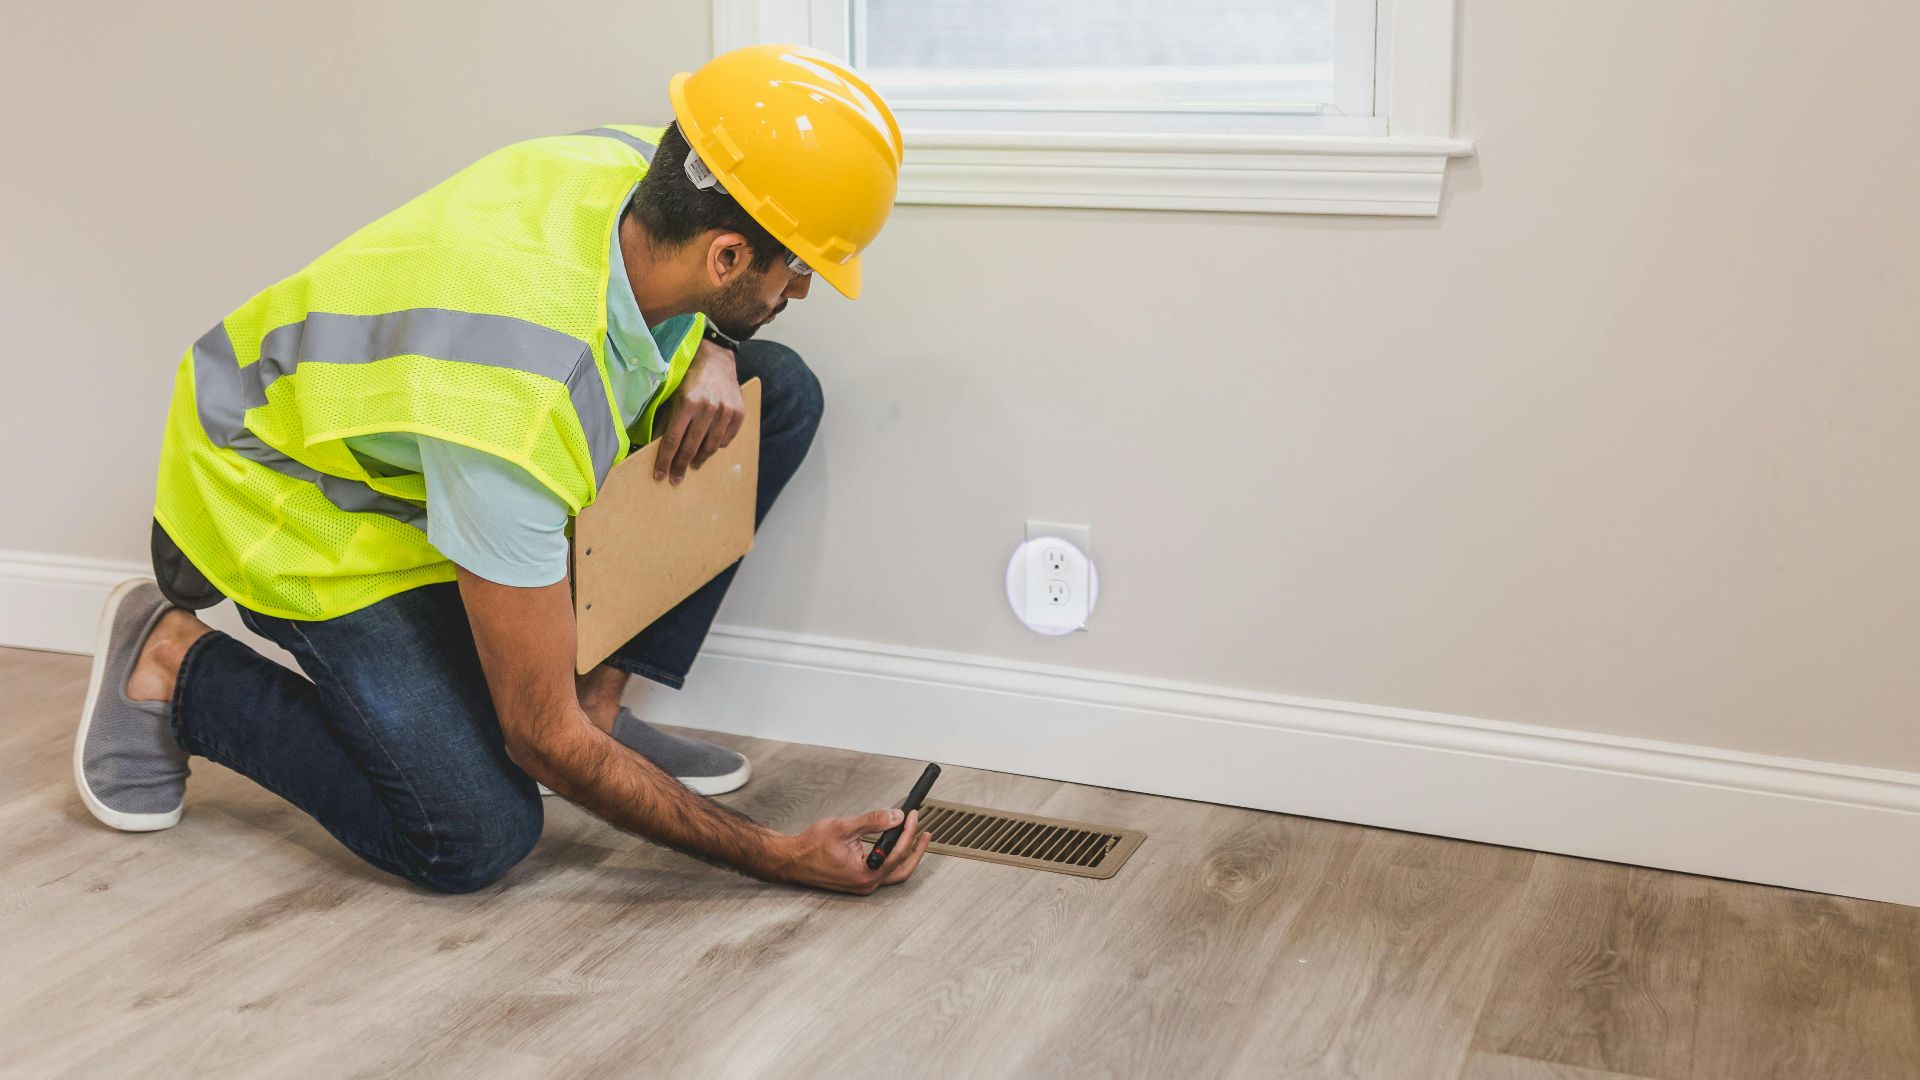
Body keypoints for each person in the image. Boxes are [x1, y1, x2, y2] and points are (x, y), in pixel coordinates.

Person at [72, 45, 931, 895]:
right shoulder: (518, 404)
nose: (806, 291)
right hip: (290, 497)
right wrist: (781, 856)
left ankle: (598, 706)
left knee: (769, 390)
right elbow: (537, 738)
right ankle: (172, 663)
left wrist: (715, 341)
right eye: (803, 269)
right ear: (728, 258)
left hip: (434, 453)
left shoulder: (649, 165)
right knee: (476, 830)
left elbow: (713, 278)